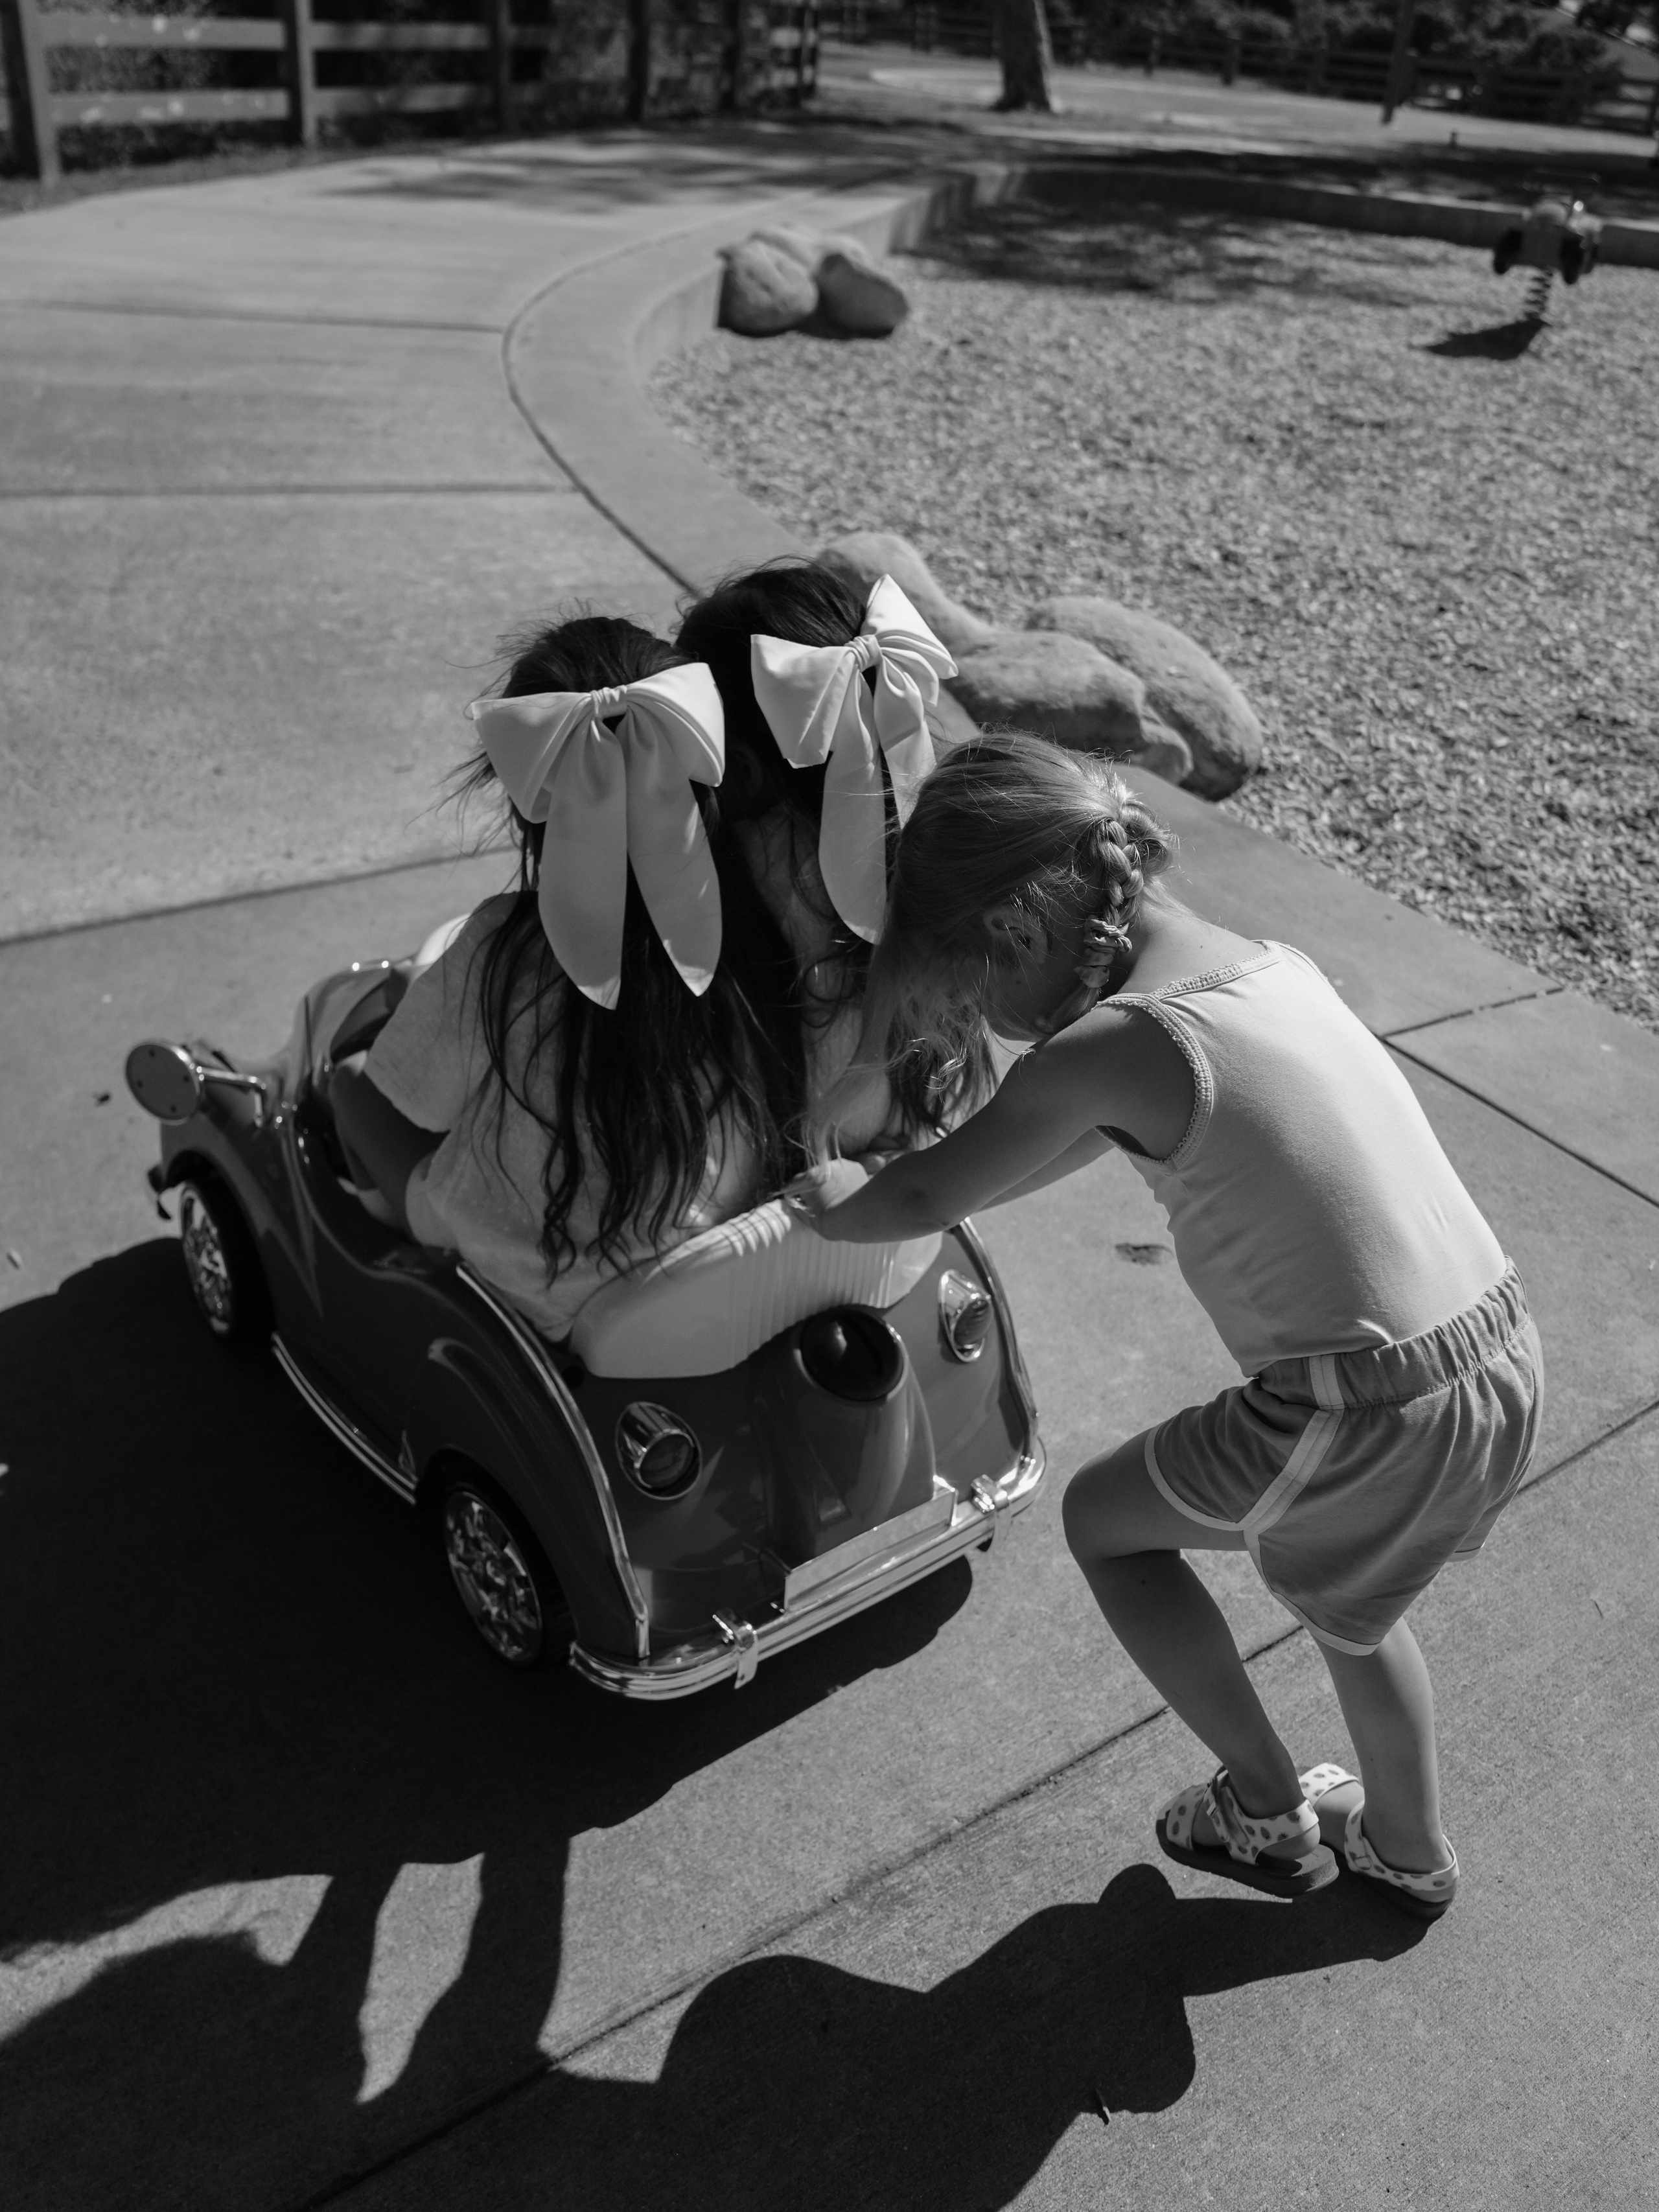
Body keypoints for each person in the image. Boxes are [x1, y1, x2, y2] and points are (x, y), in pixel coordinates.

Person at [790, 729, 1542, 1918]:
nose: (985, 1021)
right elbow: (1067, 1145)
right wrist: (939, 1171)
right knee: (1356, 1604)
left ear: (1020, 933)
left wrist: (831, 1196)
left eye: (975, 993)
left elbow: (930, 1193)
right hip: (1494, 1344)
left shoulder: (1110, 1042)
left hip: (1360, 1408)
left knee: (1107, 1523)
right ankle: (1402, 1841)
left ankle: (1264, 1803)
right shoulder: (1255, 966)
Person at [328, 614, 805, 1339]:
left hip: (526, 1276)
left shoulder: (502, 948)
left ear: (529, 803)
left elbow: (410, 1102)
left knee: (351, 1083)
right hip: (693, 1264)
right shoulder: (754, 924)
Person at [675, 561, 958, 1153]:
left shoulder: (695, 880)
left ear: (743, 773)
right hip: (886, 1205)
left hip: (730, 1219)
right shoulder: (936, 854)